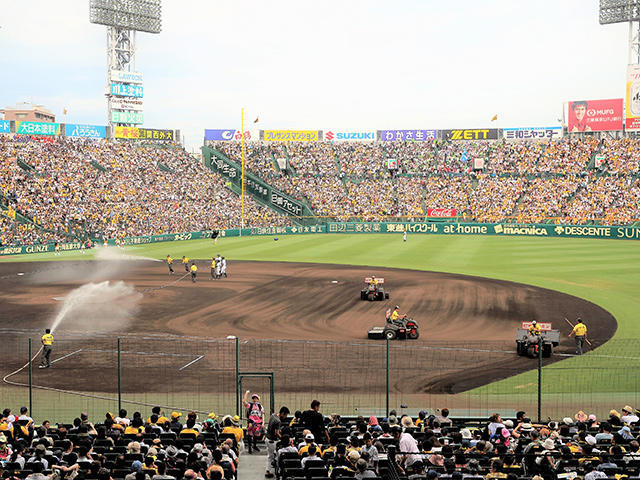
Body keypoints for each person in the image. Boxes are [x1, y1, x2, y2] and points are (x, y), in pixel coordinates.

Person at [265, 406, 290, 479]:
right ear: (282, 413)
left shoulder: (273, 415)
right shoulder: (278, 421)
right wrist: (284, 439)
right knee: (278, 456)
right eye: (285, 415)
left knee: (270, 456)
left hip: (267, 439)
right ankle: (278, 471)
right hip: (272, 441)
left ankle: (267, 471)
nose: (285, 417)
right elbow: (277, 433)